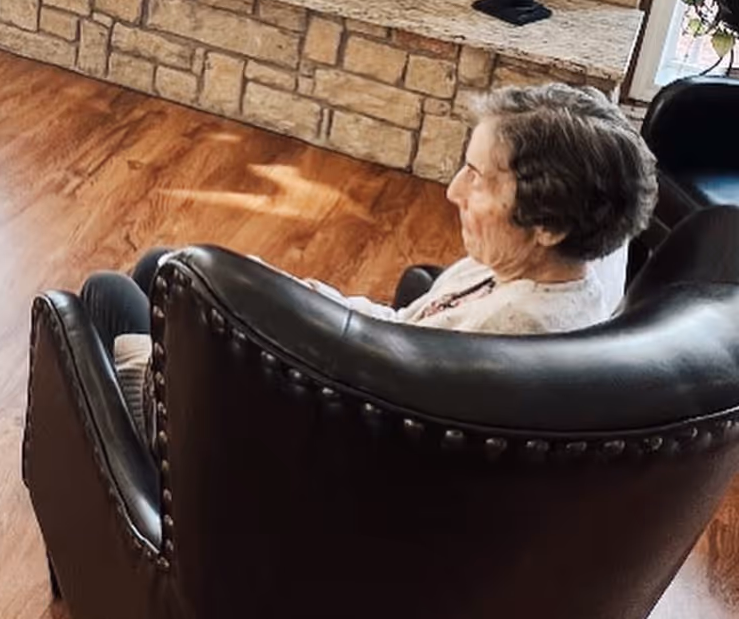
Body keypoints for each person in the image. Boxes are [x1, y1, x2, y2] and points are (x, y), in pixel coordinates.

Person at [81, 83, 658, 445]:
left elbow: (352, 370)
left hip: (275, 428)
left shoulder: (507, 340)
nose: (454, 190)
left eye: (478, 178)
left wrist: (255, 307)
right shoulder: (551, 275)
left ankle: (143, 454)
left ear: (549, 224)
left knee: (107, 293)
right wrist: (284, 289)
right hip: (348, 380)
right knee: (163, 264)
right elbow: (391, 330)